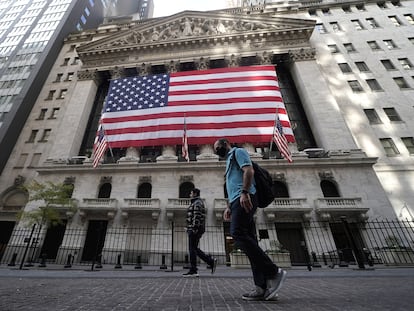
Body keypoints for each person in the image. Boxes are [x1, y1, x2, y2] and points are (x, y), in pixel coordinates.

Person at [213, 138, 287, 301]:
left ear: (225, 144)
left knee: (237, 233)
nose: (216, 151)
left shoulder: (238, 152)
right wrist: (229, 207)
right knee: (250, 240)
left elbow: (248, 171)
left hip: (245, 198)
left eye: (217, 148)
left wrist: (245, 192)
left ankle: (273, 272)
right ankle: (261, 287)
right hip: (236, 201)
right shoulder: (228, 162)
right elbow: (233, 185)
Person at [183, 188, 217, 277]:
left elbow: (197, 216)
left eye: (190, 193)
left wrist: (193, 228)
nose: (189, 195)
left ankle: (193, 270)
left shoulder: (197, 202)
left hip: (195, 229)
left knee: (192, 249)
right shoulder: (196, 202)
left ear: (194, 193)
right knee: (194, 249)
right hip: (195, 229)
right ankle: (211, 261)